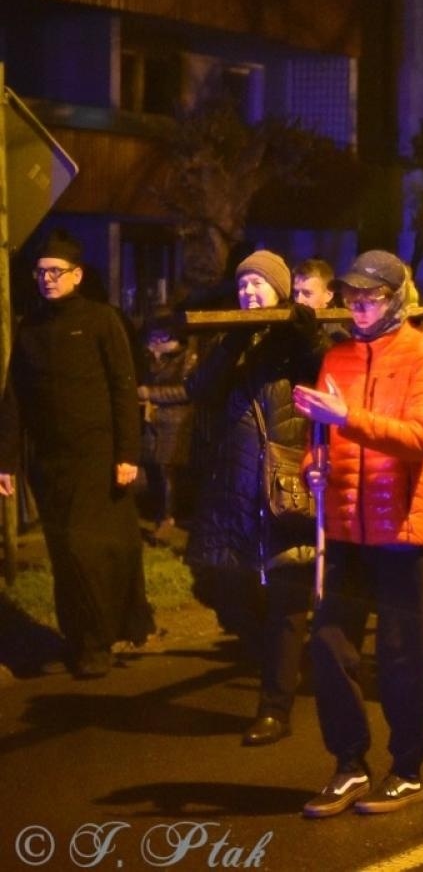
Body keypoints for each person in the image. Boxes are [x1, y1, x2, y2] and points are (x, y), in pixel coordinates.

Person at [296, 249, 423, 818]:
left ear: (397, 298)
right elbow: (323, 435)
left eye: (371, 296)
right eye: (351, 295)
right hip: (344, 525)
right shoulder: (336, 357)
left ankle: (407, 769)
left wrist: (345, 420)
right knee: (329, 645)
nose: (358, 305)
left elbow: (419, 436)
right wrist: (317, 461)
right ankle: (349, 763)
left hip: (401, 526)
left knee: (403, 656)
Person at [186, 250, 327, 746]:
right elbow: (199, 389)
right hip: (234, 486)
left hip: (284, 483)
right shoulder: (232, 340)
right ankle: (283, 664)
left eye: (258, 285)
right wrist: (234, 342)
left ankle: (274, 708)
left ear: (279, 291)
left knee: (288, 595)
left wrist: (308, 335)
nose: (248, 293)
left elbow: (326, 374)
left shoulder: (297, 338)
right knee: (224, 586)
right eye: (243, 285)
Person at [0, 230, 153, 678]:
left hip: (99, 459)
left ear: (77, 275)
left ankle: (98, 641)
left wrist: (128, 453)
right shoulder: (30, 329)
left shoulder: (102, 320)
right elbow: (15, 400)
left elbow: (123, 389)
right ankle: (78, 636)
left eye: (55, 272)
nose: (46, 279)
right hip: (50, 465)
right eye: (41, 272)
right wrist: (5, 461)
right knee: (65, 553)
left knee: (94, 552)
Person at [137, 307, 198, 542]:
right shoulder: (147, 355)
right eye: (153, 334)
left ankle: (168, 519)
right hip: (151, 421)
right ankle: (159, 516)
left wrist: (150, 393)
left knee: (167, 471)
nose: (156, 339)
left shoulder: (186, 356)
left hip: (175, 421)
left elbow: (186, 390)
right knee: (153, 469)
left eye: (161, 334)